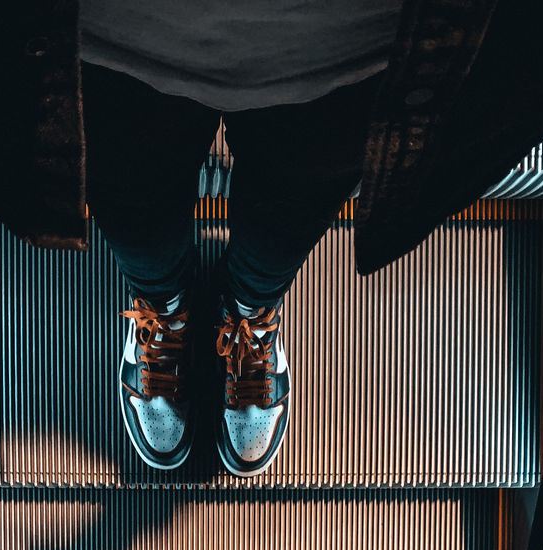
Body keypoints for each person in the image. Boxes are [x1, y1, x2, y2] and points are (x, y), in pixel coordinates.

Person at [0, 0, 543, 470]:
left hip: (355, 55)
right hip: (100, 44)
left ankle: (244, 315)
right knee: (135, 210)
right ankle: (171, 309)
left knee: (286, 215)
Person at [78, 9, 400, 474]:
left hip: (333, 36)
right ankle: (170, 305)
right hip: (128, 31)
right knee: (134, 170)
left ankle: (245, 308)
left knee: (299, 180)